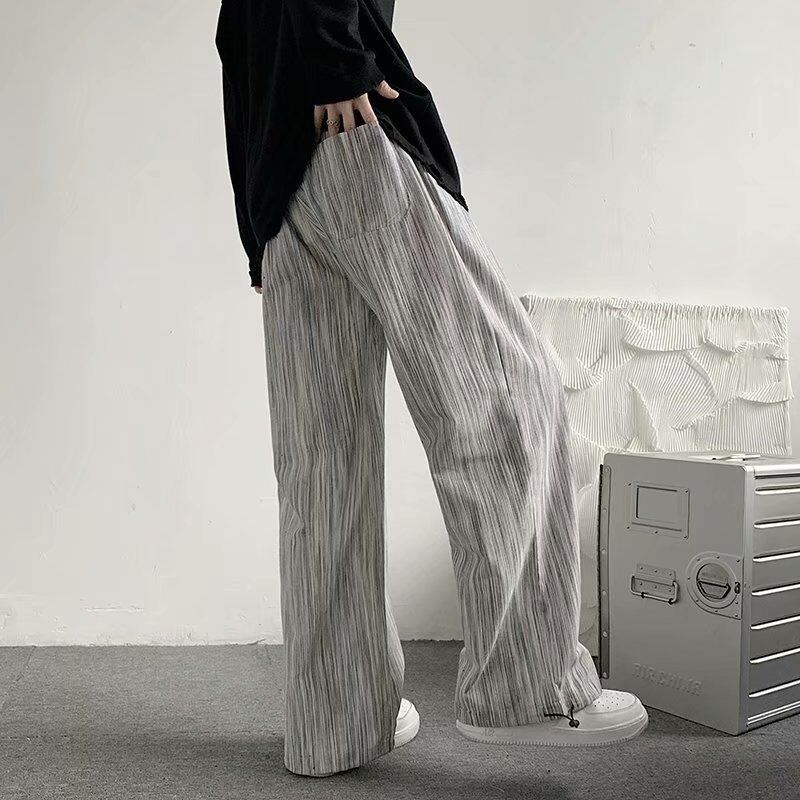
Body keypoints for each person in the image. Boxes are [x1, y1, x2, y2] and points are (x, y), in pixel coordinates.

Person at [215, 0, 647, 778]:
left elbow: (234, 32)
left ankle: (333, 721)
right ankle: (527, 688)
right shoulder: (337, 75)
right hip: (349, 132)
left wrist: (259, 227)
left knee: (323, 463)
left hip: (281, 182)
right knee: (507, 396)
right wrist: (337, 57)